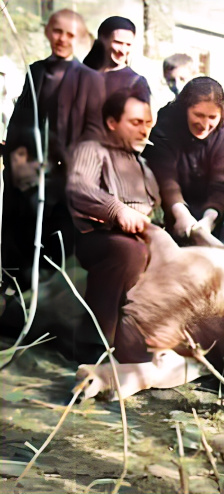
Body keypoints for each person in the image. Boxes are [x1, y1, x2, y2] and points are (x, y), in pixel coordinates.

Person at [2, 9, 104, 289]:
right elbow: (21, 120)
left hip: (67, 174)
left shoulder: (90, 79)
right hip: (30, 170)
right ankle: (16, 291)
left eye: (70, 35)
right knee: (20, 230)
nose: (62, 39)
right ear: (48, 32)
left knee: (56, 238)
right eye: (57, 32)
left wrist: (73, 169)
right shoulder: (36, 70)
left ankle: (48, 297)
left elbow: (94, 133)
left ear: (80, 38)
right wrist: (18, 159)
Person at [66, 88, 158, 362]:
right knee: (128, 251)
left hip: (141, 238)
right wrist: (116, 210)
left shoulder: (142, 164)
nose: (144, 131)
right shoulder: (92, 149)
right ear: (112, 122)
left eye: (147, 124)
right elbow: (78, 188)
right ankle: (93, 343)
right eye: (136, 123)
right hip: (98, 237)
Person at [141, 76, 224, 241]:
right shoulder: (166, 123)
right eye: (198, 115)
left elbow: (223, 185)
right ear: (185, 109)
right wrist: (179, 211)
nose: (204, 125)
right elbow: (164, 176)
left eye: (212, 117)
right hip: (167, 204)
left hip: (212, 209)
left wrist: (208, 221)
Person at [82, 16, 150, 101]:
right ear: (102, 39)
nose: (123, 51)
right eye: (118, 42)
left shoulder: (136, 83)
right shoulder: (83, 75)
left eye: (128, 45)